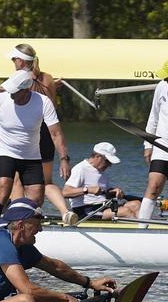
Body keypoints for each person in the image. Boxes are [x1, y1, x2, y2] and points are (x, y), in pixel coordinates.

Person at [0, 70, 70, 223]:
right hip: (4, 151)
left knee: (37, 196)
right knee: (4, 187)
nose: (10, 94)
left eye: (14, 91)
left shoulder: (43, 102)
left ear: (26, 90)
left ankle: (26, 230)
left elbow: (56, 133)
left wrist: (64, 159)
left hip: (31, 155)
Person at [4, 44, 75, 224]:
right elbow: (50, 105)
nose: (13, 63)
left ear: (20, 61)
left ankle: (20, 219)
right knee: (47, 181)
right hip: (46, 133)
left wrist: (1, 91)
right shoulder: (48, 79)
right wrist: (64, 157)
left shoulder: (17, 80)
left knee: (19, 180)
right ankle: (65, 211)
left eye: (14, 59)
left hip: (29, 134)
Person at [63, 143, 140, 221]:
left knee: (136, 204)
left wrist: (115, 191)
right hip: (85, 210)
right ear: (98, 157)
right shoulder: (80, 169)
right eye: (108, 161)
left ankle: (145, 226)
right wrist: (87, 190)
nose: (109, 165)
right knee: (126, 212)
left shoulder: (101, 171)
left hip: (103, 206)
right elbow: (65, 192)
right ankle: (141, 231)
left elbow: (105, 193)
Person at [137, 59, 168, 224]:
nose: (166, 79)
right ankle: (141, 227)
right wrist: (148, 145)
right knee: (154, 185)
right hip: (162, 146)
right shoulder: (162, 86)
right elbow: (153, 117)